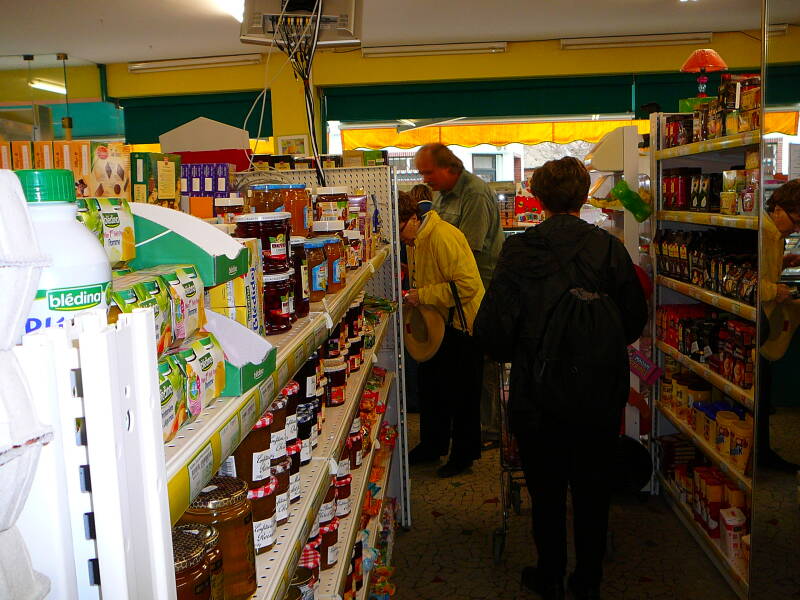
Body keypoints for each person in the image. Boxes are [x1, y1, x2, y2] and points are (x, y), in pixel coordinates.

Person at [474, 157, 648, 600]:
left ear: (537, 196)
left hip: (538, 392)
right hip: (597, 392)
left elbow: (492, 331)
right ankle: (588, 579)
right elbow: (633, 320)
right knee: (593, 489)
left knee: (546, 490)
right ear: (585, 194)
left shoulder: (519, 251)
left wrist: (532, 350)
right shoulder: (608, 249)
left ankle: (548, 573)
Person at [414, 143, 505, 445]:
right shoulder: (442, 194)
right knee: (464, 368)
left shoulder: (475, 194)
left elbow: (469, 251)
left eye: (428, 171)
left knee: (483, 363)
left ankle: (489, 429)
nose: (424, 177)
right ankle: (469, 427)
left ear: (449, 168)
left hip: (481, 290)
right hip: (454, 295)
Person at [399, 191, 485, 478]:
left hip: (463, 326)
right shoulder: (417, 238)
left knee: (463, 395)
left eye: (401, 231)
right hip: (438, 323)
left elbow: (468, 285)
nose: (402, 240)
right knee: (431, 387)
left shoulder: (442, 237)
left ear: (413, 218)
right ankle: (432, 445)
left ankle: (464, 455)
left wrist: (420, 294)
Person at [759, 178, 800, 471]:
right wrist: (777, 290)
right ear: (781, 209)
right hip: (757, 318)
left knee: (763, 390)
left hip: (764, 317)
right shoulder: (765, 232)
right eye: (796, 221)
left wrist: (782, 263)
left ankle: (761, 451)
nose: (796, 229)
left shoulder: (775, 234)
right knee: (760, 392)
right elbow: (745, 280)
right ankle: (761, 454)